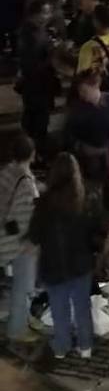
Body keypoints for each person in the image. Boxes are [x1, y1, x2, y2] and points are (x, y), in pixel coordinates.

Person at [27, 153, 94, 361]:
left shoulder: (44, 203)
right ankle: (85, 346)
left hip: (53, 265)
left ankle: (61, 347)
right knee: (82, 307)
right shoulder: (85, 199)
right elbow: (94, 231)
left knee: (59, 308)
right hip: (81, 264)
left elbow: (34, 235)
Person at [0, 132, 39, 345]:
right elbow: (21, 219)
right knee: (22, 286)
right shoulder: (26, 184)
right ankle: (17, 329)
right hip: (14, 242)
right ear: (32, 155)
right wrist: (29, 243)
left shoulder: (5, 172)